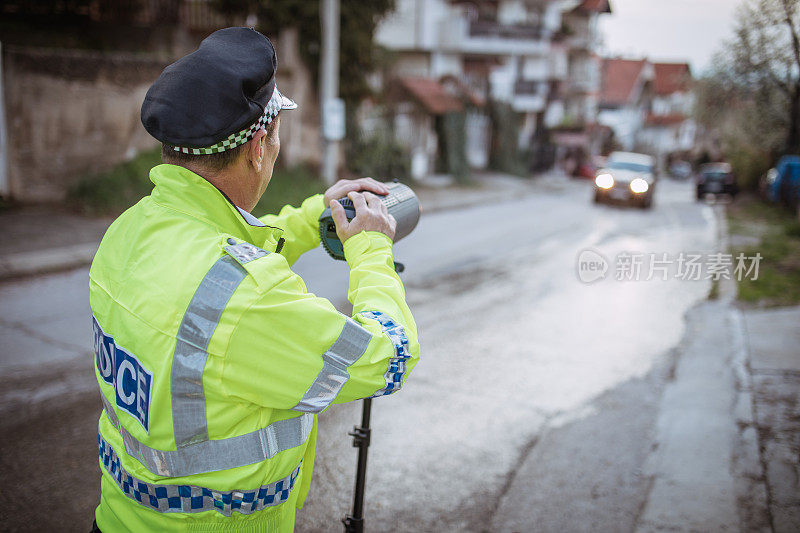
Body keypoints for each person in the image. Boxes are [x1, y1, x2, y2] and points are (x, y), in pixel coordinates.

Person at [89, 27, 420, 532]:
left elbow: (228, 252)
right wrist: (370, 249)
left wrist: (315, 216)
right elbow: (389, 357)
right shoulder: (249, 297)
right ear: (259, 145)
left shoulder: (130, 231)